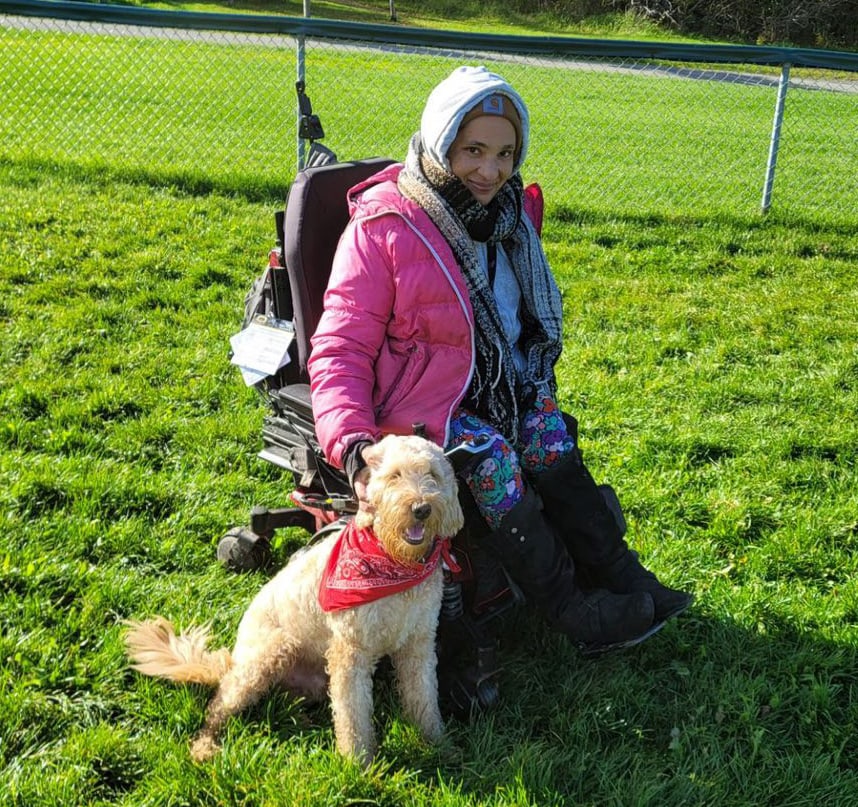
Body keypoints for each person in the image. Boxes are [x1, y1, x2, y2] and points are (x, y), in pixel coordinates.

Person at [307, 65, 692, 655]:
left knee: (550, 437)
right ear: (443, 144)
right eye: (473, 151)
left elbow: (523, 331)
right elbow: (340, 349)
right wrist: (355, 447)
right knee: (493, 459)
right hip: (418, 411)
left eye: (505, 153)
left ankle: (620, 574)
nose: (490, 171)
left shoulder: (509, 220)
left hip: (497, 388)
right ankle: (573, 612)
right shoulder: (385, 226)